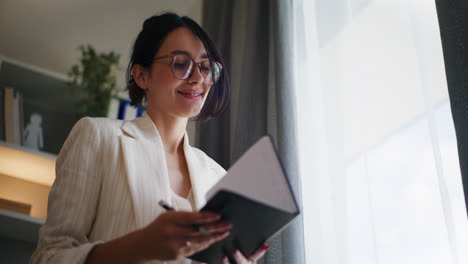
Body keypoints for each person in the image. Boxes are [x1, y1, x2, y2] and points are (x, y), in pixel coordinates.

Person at [31, 13, 269, 264]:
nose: (198, 78)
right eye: (180, 63)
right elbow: (48, 257)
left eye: (206, 66)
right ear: (141, 75)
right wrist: (141, 246)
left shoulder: (218, 178)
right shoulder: (97, 137)